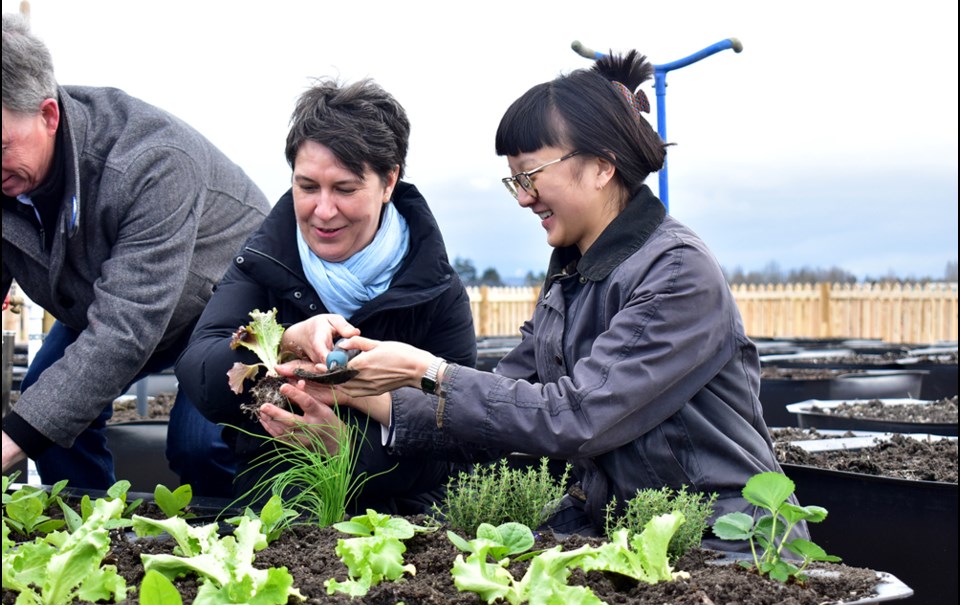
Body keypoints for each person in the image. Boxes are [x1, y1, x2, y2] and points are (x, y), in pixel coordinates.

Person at [263, 50, 808, 543]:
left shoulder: (675, 271)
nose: (523, 197)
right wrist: (356, 399)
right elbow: (502, 401)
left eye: (532, 175)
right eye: (513, 180)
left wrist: (427, 370)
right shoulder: (572, 273)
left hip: (725, 535)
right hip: (626, 527)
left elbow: (577, 417)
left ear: (601, 164)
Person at [175, 77, 477, 513]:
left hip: (401, 519)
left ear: (389, 181)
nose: (323, 211)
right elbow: (199, 374)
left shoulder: (435, 290)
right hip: (279, 500)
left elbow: (458, 442)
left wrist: (348, 450)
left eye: (346, 188)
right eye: (308, 186)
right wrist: (285, 339)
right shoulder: (265, 263)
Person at [1, 13, 270, 496]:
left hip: (225, 308)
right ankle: (86, 541)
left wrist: (9, 441)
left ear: (48, 115)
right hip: (108, 300)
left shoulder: (151, 161)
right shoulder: (13, 172)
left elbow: (125, 329)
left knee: (200, 444)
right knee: (51, 413)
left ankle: (240, 554)